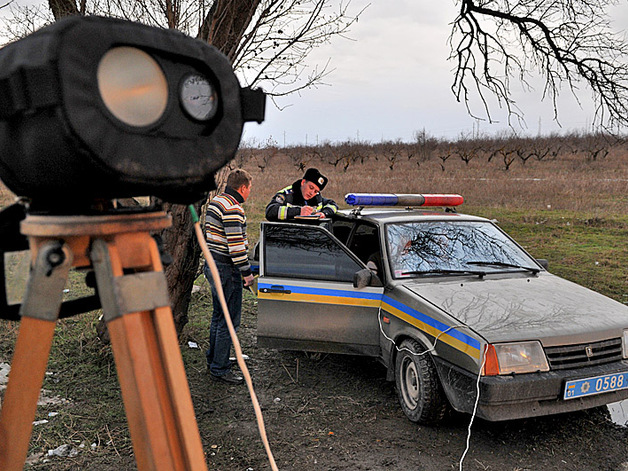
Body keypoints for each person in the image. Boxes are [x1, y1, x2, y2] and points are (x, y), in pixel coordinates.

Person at [204, 169, 254, 385]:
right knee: (229, 321)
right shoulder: (233, 209)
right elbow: (236, 249)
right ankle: (220, 368)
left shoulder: (216, 201)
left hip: (212, 265)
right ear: (242, 188)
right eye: (249, 189)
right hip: (227, 270)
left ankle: (215, 358)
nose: (249, 193)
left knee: (218, 316)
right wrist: (247, 273)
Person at [265, 168, 338, 221]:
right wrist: (298, 211)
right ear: (303, 182)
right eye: (311, 188)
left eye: (316, 191)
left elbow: (333, 205)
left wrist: (324, 213)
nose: (312, 193)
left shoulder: (317, 198)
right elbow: (270, 211)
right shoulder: (286, 195)